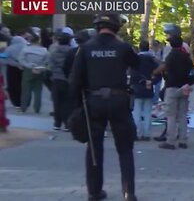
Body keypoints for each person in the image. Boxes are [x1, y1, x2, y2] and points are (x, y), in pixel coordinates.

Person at [69, 14, 139, 201]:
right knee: (125, 148)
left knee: (94, 148)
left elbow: (75, 80)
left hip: (93, 102)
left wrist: (77, 108)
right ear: (116, 27)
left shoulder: (85, 48)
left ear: (97, 26)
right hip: (119, 101)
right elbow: (138, 65)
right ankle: (128, 192)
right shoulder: (123, 47)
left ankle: (94, 192)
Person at [158, 35, 194, 150]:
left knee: (171, 115)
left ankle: (171, 141)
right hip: (184, 87)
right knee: (183, 115)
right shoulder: (187, 57)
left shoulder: (170, 57)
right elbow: (192, 72)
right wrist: (188, 83)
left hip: (172, 86)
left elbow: (164, 70)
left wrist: (166, 78)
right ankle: (183, 140)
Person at [130, 40, 159, 141]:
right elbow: (159, 73)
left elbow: (132, 75)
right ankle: (147, 133)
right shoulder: (152, 60)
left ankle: (137, 133)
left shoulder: (135, 60)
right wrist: (152, 81)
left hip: (137, 88)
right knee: (147, 111)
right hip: (149, 88)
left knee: (136, 111)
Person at [49, 27, 75, 131]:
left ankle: (57, 123)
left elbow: (50, 66)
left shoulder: (53, 53)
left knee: (57, 101)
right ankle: (67, 123)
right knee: (67, 102)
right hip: (68, 79)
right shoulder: (72, 52)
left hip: (56, 79)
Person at [18, 27, 48, 113]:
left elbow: (21, 60)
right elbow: (46, 62)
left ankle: (23, 107)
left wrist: (30, 66)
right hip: (39, 70)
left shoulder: (25, 49)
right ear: (39, 41)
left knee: (25, 90)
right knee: (38, 91)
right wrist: (40, 68)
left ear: (30, 40)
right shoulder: (44, 50)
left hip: (28, 70)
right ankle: (37, 108)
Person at [4, 32, 29, 109]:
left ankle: (16, 102)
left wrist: (15, 63)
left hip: (12, 69)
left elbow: (3, 58)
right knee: (25, 85)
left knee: (13, 85)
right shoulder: (27, 47)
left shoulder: (9, 48)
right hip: (25, 68)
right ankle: (26, 102)